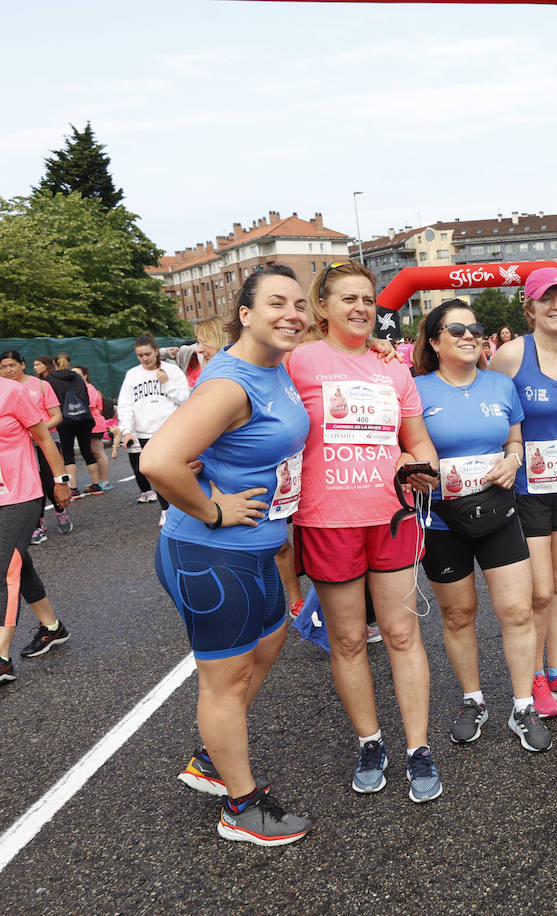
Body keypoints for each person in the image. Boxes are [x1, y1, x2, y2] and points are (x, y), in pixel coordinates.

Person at [143, 263, 312, 846]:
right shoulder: (232, 383)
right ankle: (240, 807)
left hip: (255, 551)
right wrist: (214, 509)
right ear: (245, 314)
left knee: (268, 643)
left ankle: (212, 760)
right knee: (224, 679)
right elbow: (160, 461)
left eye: (298, 303)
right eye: (276, 303)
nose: (292, 313)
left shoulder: (273, 367)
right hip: (211, 553)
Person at [286, 260, 444, 802]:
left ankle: (418, 749)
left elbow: (419, 441)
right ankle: (370, 741)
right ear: (322, 307)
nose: (359, 307)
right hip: (328, 520)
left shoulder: (393, 369)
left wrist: (419, 463)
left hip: (391, 516)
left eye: (368, 299)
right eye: (347, 298)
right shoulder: (297, 362)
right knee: (349, 639)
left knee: (403, 634)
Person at [413, 300, 550, 752]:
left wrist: (513, 459)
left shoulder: (500, 385)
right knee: (458, 615)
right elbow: (406, 447)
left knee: (516, 611)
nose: (470, 335)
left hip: (497, 513)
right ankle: (473, 700)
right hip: (441, 520)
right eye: (456, 329)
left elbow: (515, 437)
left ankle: (523, 705)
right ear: (434, 342)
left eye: (476, 328)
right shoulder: (417, 391)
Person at [489, 267, 557, 719]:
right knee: (538, 591)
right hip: (526, 489)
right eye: (546, 299)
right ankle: (532, 677)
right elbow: (492, 414)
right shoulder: (511, 355)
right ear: (529, 307)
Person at [0, 372, 74, 683]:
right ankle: (52, 627)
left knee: (4, 569)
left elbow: (43, 437)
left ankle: (1, 659)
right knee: (19, 562)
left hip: (20, 494)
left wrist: (61, 481)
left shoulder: (11, 392)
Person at [117, 334, 191, 525]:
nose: (144, 359)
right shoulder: (133, 375)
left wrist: (166, 383)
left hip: (171, 430)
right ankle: (166, 509)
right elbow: (126, 405)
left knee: (176, 471)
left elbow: (186, 399)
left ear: (156, 351)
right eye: (140, 355)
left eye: (148, 354)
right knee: (156, 473)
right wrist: (126, 430)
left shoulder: (172, 371)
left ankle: (186, 507)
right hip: (144, 432)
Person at [0, 352, 68, 543]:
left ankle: (60, 509)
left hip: (43, 437)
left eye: (12, 365)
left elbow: (56, 415)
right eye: (3, 367)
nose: (8, 370)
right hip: (20, 444)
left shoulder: (40, 385)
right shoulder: (4, 389)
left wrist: (35, 428)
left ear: (22, 365)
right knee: (31, 479)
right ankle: (37, 525)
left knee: (48, 481)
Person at [37, 354, 99, 494]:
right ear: (70, 363)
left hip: (65, 420)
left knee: (68, 453)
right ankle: (96, 484)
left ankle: (73, 488)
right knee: (87, 451)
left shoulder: (49, 380)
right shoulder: (77, 376)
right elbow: (85, 395)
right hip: (84, 418)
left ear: (54, 363)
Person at [73, 366, 113, 493]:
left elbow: (88, 405)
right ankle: (99, 480)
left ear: (85, 375)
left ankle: (105, 481)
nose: (74, 377)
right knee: (94, 453)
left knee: (98, 452)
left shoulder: (88, 388)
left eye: (77, 374)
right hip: (89, 423)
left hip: (94, 424)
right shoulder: (81, 388)